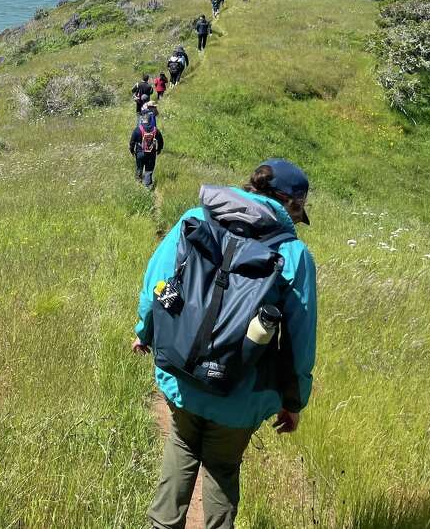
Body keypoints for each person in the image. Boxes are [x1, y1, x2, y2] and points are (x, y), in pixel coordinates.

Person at [132, 159, 318, 529]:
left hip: (182, 373)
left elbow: (157, 283)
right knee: (221, 466)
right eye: (300, 211)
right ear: (290, 203)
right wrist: (293, 402)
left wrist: (144, 331)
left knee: (182, 444)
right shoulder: (295, 256)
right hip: (242, 392)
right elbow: (300, 342)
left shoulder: (194, 219)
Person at [129, 107, 164, 187]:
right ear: (150, 120)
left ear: (142, 120)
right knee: (149, 170)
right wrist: (158, 150)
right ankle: (147, 187)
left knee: (139, 168)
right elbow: (161, 141)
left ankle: (138, 184)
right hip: (151, 154)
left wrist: (132, 151)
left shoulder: (137, 130)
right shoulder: (155, 130)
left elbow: (132, 142)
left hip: (140, 153)